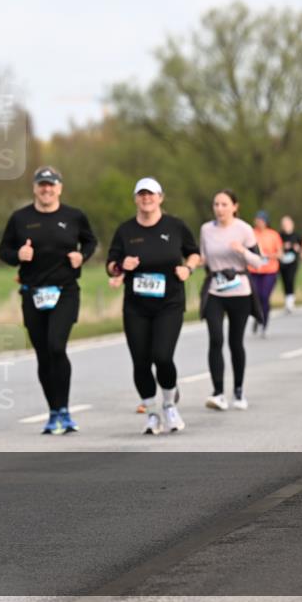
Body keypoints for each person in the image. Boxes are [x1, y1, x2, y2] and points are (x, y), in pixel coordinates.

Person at [0, 166, 97, 434]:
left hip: (65, 290)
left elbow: (90, 241)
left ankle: (64, 410)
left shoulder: (74, 216)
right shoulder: (20, 218)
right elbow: (3, 251)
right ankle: (53, 411)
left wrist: (82, 256)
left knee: (56, 346)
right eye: (42, 185)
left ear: (60, 188)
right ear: (34, 188)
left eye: (51, 185)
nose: (46, 189)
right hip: (32, 293)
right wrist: (18, 255)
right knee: (43, 354)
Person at [106, 178, 200, 435]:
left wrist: (187, 268)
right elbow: (111, 263)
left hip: (169, 303)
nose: (146, 199)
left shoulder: (175, 226)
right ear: (136, 199)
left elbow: (194, 252)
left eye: (151, 194)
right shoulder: (125, 230)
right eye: (142, 194)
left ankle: (169, 404)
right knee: (140, 361)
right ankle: (151, 412)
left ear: (161, 197)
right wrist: (120, 267)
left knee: (162, 356)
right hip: (136, 306)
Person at [199, 190, 263, 411]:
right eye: (216, 204)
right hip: (215, 290)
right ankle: (217, 393)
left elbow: (259, 262)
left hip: (240, 291)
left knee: (236, 342)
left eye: (224, 204)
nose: (219, 208)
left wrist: (242, 250)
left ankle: (238, 390)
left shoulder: (244, 229)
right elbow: (204, 258)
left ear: (235, 206)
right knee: (215, 339)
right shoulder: (206, 230)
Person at [248, 210, 283, 336]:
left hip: (270, 270)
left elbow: (280, 253)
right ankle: (258, 316)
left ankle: (264, 321)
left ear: (266, 222)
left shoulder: (273, 235)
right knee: (255, 297)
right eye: (257, 220)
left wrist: (267, 255)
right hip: (254, 270)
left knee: (264, 296)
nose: (259, 222)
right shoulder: (251, 233)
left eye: (262, 220)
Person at [278, 215, 301, 314]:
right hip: (283, 262)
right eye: (284, 224)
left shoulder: (297, 236)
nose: (286, 226)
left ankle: (290, 302)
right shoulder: (279, 236)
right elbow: (276, 248)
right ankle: (287, 300)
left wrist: (297, 248)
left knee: (290, 279)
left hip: (293, 262)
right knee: (284, 280)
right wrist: (283, 246)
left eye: (288, 224)